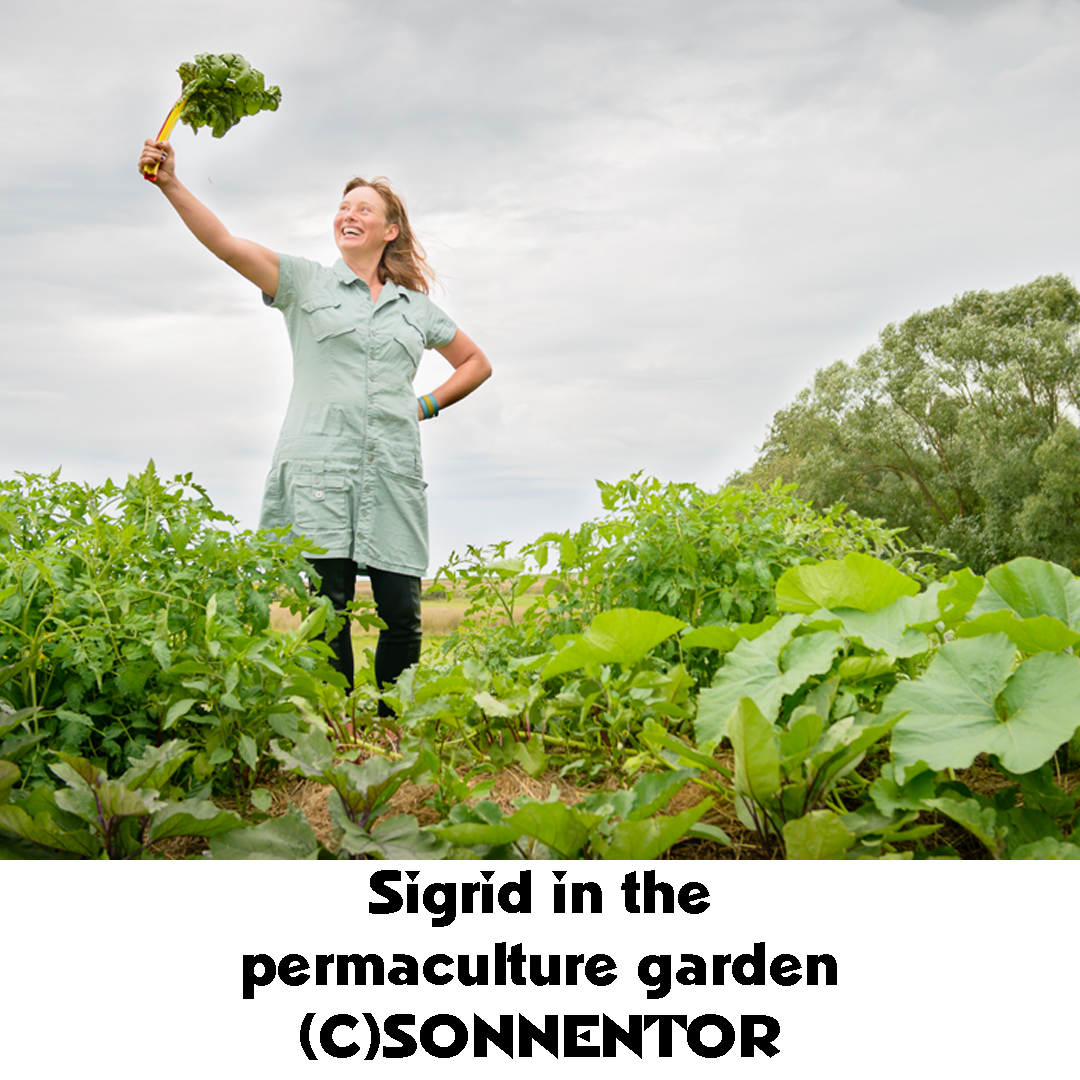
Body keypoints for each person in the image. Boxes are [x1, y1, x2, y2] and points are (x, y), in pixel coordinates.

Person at [137, 139, 492, 708]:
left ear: (390, 230)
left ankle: (393, 723)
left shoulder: (415, 309)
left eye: (363, 210)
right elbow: (224, 243)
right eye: (343, 208)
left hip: (392, 472)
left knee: (402, 614)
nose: (348, 215)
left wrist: (423, 405)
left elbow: (476, 363)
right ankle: (339, 728)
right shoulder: (303, 282)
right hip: (319, 469)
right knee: (330, 611)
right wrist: (172, 183)